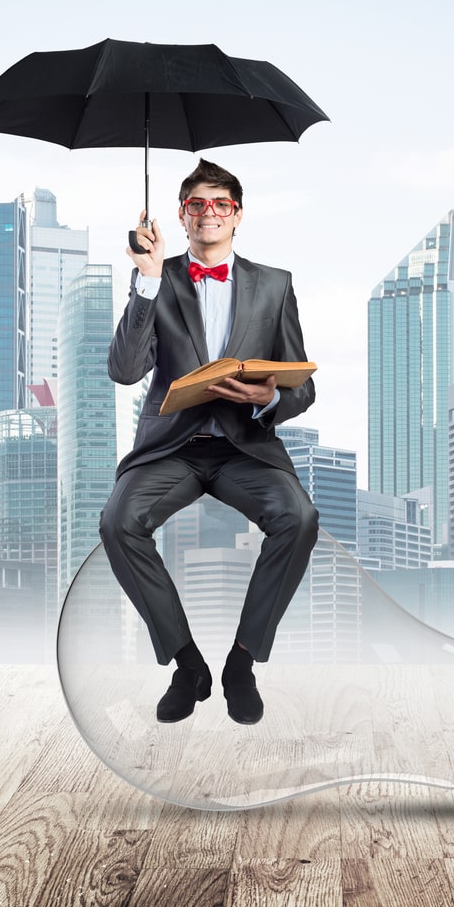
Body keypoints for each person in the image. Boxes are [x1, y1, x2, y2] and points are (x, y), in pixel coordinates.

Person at [100, 158, 319, 725]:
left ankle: (241, 662)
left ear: (238, 215)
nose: (208, 214)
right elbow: (125, 370)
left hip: (244, 445)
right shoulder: (157, 277)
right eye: (196, 205)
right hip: (172, 447)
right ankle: (187, 663)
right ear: (181, 214)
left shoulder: (276, 285)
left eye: (220, 204)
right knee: (118, 522)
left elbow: (303, 386)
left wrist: (267, 398)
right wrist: (147, 278)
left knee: (299, 517)